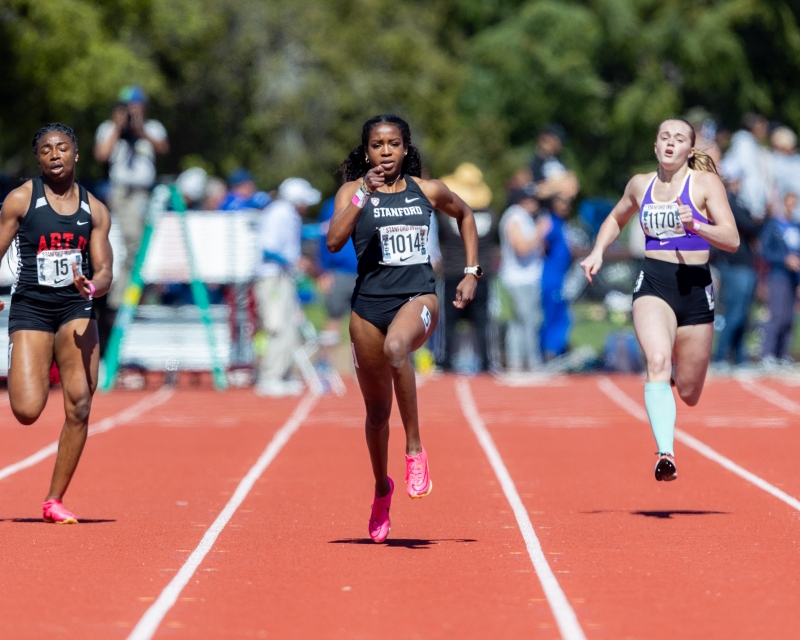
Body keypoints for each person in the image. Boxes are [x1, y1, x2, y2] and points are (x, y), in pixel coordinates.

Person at [326, 114, 478, 543]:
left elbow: (466, 216)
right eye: (377, 145)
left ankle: (414, 449)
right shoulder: (352, 192)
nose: (386, 152)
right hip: (367, 309)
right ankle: (381, 490)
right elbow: (334, 242)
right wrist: (362, 196)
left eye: (394, 144)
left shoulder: (426, 191)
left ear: (406, 149)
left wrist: (472, 272)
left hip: (418, 298)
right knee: (376, 414)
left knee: (398, 349)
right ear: (367, 152)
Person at [580, 118, 738, 482]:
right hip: (654, 283)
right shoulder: (640, 184)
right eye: (664, 137)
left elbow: (732, 239)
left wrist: (697, 224)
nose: (670, 143)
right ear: (655, 146)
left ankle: (667, 384)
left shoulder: (705, 184)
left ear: (689, 149)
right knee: (657, 359)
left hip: (697, 289)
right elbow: (616, 218)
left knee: (688, 390)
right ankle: (665, 453)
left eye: (678, 138)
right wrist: (597, 251)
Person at [0, 124, 114, 523]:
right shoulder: (20, 200)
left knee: (80, 404)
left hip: (75, 310)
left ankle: (54, 500)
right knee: (27, 410)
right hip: (31, 309)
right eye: (46, 149)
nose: (54, 155)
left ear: (75, 154)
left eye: (62, 148)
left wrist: (91, 286)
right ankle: (39, 362)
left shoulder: (94, 210)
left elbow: (105, 273)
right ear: (38, 158)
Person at [94, 86, 168, 309]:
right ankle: (120, 299)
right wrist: (118, 128)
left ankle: (134, 293)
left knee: (143, 246)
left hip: (146, 193)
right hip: (123, 193)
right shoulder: (109, 128)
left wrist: (140, 130)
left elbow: (163, 148)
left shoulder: (152, 127)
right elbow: (101, 155)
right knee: (134, 243)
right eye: (127, 107)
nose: (132, 111)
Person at [254, 177, 320, 397]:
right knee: (277, 326)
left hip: (284, 277)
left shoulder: (289, 214)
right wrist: (293, 261)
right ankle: (270, 376)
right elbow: (267, 247)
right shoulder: (279, 213)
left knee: (291, 326)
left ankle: (284, 374)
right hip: (273, 277)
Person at [437, 163, 499, 372]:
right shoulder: (491, 215)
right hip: (482, 274)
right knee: (482, 322)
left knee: (449, 322)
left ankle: (445, 362)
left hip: (453, 272)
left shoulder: (446, 216)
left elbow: (442, 241)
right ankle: (485, 363)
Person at [712, 164, 761, 366]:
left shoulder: (737, 201)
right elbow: (749, 226)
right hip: (734, 264)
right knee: (734, 312)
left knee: (743, 314)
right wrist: (760, 219)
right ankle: (722, 356)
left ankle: (739, 357)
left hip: (744, 264)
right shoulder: (728, 202)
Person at [499, 189, 551, 372]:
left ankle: (517, 362)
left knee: (520, 322)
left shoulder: (523, 217)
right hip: (519, 279)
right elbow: (520, 247)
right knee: (527, 321)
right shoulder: (515, 216)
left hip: (526, 277)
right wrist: (539, 232)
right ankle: (530, 362)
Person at [317, 196, 358, 370]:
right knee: (333, 317)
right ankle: (325, 363)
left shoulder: (375, 200)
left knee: (362, 323)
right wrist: (323, 271)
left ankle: (359, 366)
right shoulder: (331, 204)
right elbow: (323, 238)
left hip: (366, 271)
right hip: (339, 272)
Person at [760, 190, 800, 368]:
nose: (791, 206)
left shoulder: (796, 226)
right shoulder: (773, 225)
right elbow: (765, 251)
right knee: (776, 314)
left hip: (793, 277)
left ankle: (782, 354)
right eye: (789, 202)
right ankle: (768, 354)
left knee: (789, 317)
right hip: (778, 275)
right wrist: (783, 260)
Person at [540, 194, 574, 360]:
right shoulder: (550, 222)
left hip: (561, 277)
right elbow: (540, 243)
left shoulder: (563, 223)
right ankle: (549, 351)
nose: (565, 206)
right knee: (552, 315)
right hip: (551, 277)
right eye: (561, 202)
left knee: (563, 316)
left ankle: (557, 349)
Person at [722, 113, 771, 220]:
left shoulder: (750, 144)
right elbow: (749, 177)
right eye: (761, 125)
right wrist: (755, 208)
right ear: (753, 126)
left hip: (749, 204)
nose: (765, 128)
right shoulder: (744, 144)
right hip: (746, 205)